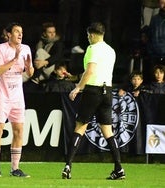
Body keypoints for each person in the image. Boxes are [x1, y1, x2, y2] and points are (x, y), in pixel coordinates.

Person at [61, 22, 125, 180]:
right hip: (107, 92)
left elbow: (90, 71)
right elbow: (96, 72)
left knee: (80, 127)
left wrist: (78, 88)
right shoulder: (111, 50)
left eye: (89, 35)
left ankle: (68, 166)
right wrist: (76, 78)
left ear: (94, 34)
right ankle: (119, 168)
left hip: (93, 91)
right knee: (108, 131)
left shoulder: (92, 49)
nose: (88, 38)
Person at [0, 22, 34, 178]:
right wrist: (14, 59)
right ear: (8, 34)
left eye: (21, 32)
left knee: (19, 131)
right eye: (16, 31)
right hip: (2, 94)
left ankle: (15, 168)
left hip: (17, 96)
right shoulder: (0, 49)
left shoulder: (26, 49)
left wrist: (29, 67)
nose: (20, 34)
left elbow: (30, 73)